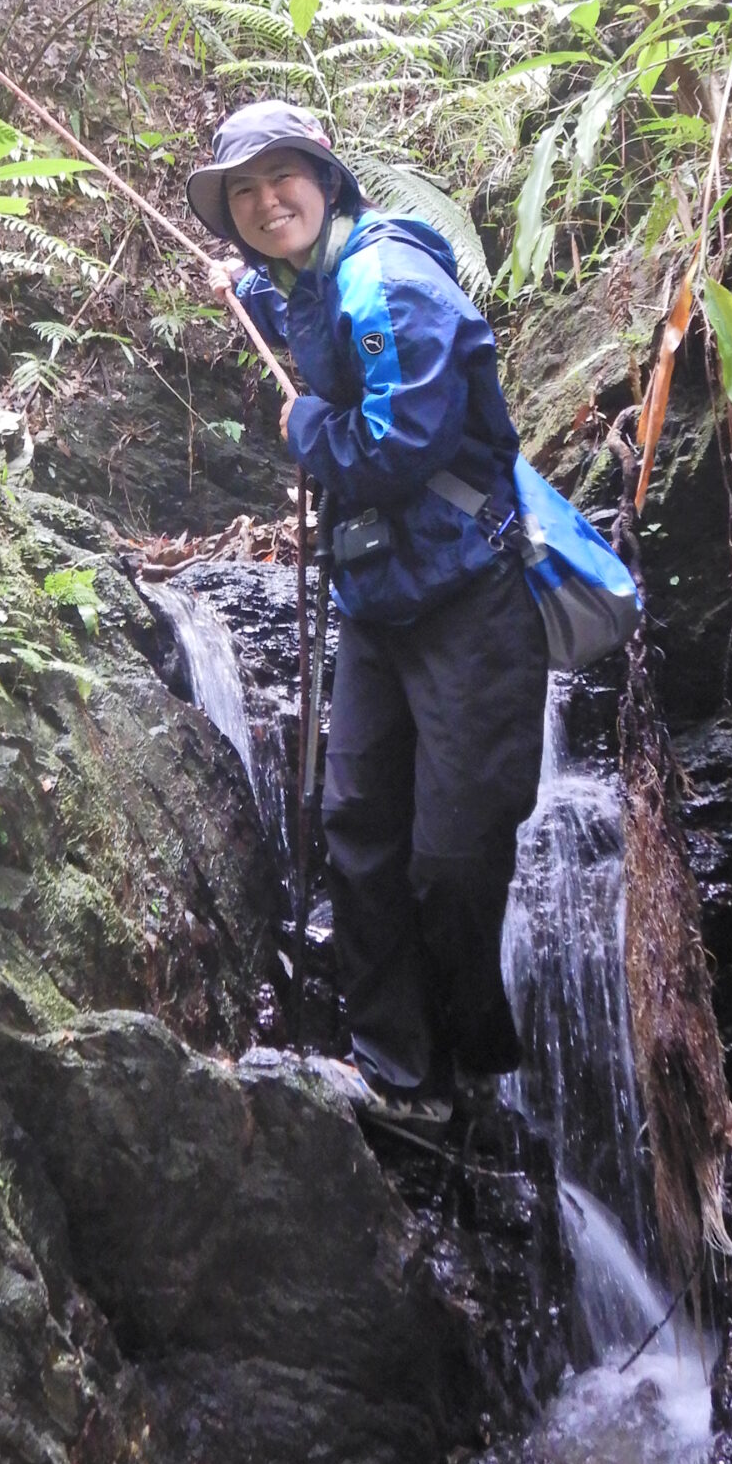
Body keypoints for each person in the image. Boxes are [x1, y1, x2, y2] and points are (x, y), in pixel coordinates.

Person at [187, 99, 547, 1131]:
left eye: (280, 180)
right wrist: (243, 283)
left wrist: (307, 425)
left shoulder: (390, 278)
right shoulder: (310, 276)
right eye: (243, 196)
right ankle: (399, 1069)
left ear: (327, 178)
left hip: (470, 604)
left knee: (452, 856)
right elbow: (303, 299)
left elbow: (400, 442)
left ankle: (474, 1061)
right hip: (380, 606)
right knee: (354, 826)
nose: (264, 202)